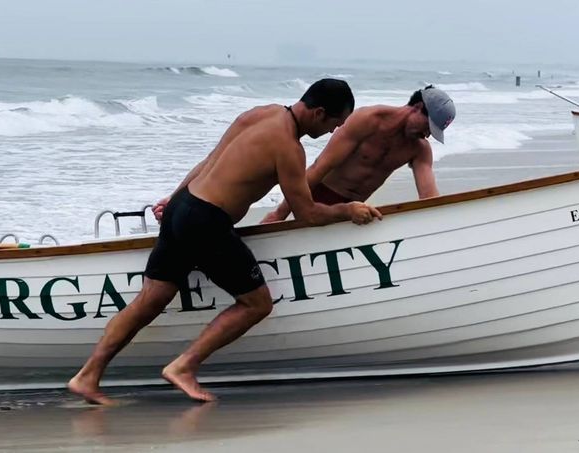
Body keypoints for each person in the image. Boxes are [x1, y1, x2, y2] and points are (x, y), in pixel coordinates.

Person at [68, 79, 382, 405]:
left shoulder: (259, 114)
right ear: (319, 113)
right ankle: (183, 366)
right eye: (335, 123)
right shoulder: (289, 148)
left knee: (149, 300)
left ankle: (87, 376)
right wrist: (348, 210)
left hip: (185, 206)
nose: (334, 132)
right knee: (257, 303)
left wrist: (174, 199)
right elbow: (307, 214)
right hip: (206, 221)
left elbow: (209, 162)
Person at [261, 85, 455, 223]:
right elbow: (320, 167)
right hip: (318, 198)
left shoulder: (419, 148)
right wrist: (279, 214)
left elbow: (429, 198)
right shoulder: (368, 120)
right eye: (429, 126)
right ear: (418, 108)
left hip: (355, 207)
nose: (428, 134)